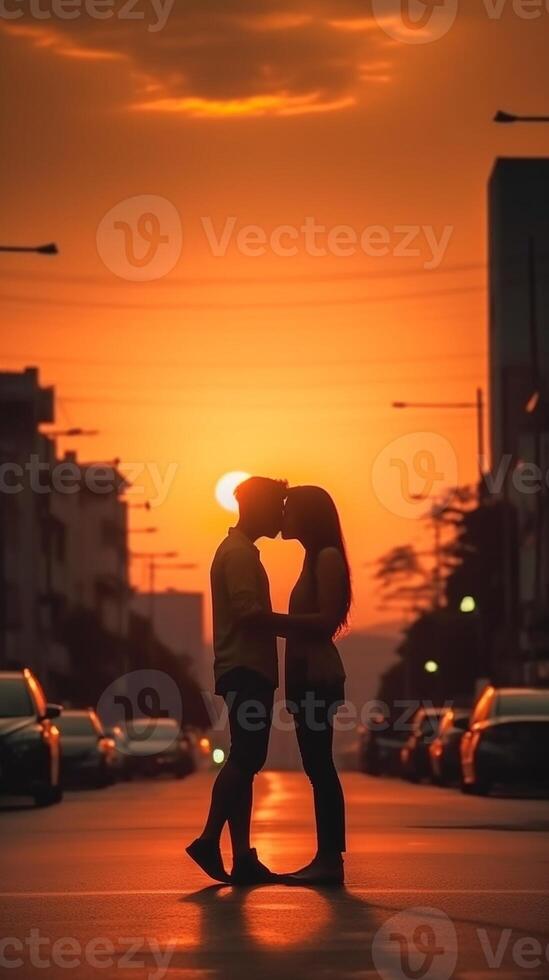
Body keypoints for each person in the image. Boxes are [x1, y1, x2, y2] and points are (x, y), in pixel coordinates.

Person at [186, 476, 288, 886]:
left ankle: (242, 854)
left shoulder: (239, 551)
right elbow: (248, 612)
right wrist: (299, 627)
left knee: (245, 761)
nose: (282, 513)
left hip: (244, 668)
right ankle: (209, 839)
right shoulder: (240, 555)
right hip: (246, 669)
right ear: (257, 507)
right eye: (277, 505)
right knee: (247, 757)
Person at [248, 486, 351, 886]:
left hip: (318, 676)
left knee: (320, 768)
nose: (283, 516)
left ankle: (330, 860)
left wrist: (270, 621)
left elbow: (326, 621)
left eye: (289, 510)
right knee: (317, 767)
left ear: (308, 515)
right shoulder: (313, 559)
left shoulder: (326, 558)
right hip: (306, 677)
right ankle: (327, 858)